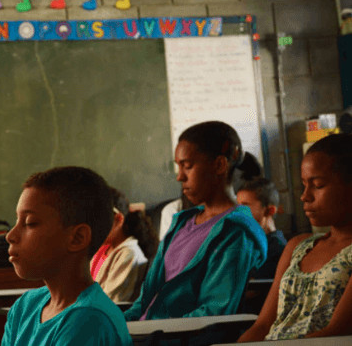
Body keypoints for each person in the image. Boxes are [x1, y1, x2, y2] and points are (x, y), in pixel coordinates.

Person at [124, 121, 267, 321]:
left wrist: (148, 334)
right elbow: (145, 302)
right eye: (178, 167)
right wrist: (120, 327)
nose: (179, 177)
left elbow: (213, 314)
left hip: (172, 338)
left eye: (187, 166)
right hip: (146, 333)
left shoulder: (236, 232)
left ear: (219, 165)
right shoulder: (182, 223)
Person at [238, 134, 352, 341]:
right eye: (303, 185)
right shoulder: (298, 246)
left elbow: (336, 332)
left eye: (317, 185)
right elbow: (263, 325)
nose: (305, 196)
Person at [2, 166, 132, 346]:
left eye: (30, 223)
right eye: (17, 221)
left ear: (77, 238)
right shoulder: (24, 307)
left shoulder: (88, 321)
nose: (11, 236)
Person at [91, 187, 158, 302]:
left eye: (98, 221)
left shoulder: (129, 254)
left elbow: (110, 302)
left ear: (118, 219)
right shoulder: (102, 250)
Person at [237, 177, 287, 279]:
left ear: (270, 211)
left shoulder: (277, 248)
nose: (239, 212)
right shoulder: (247, 242)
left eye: (245, 206)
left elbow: (252, 290)